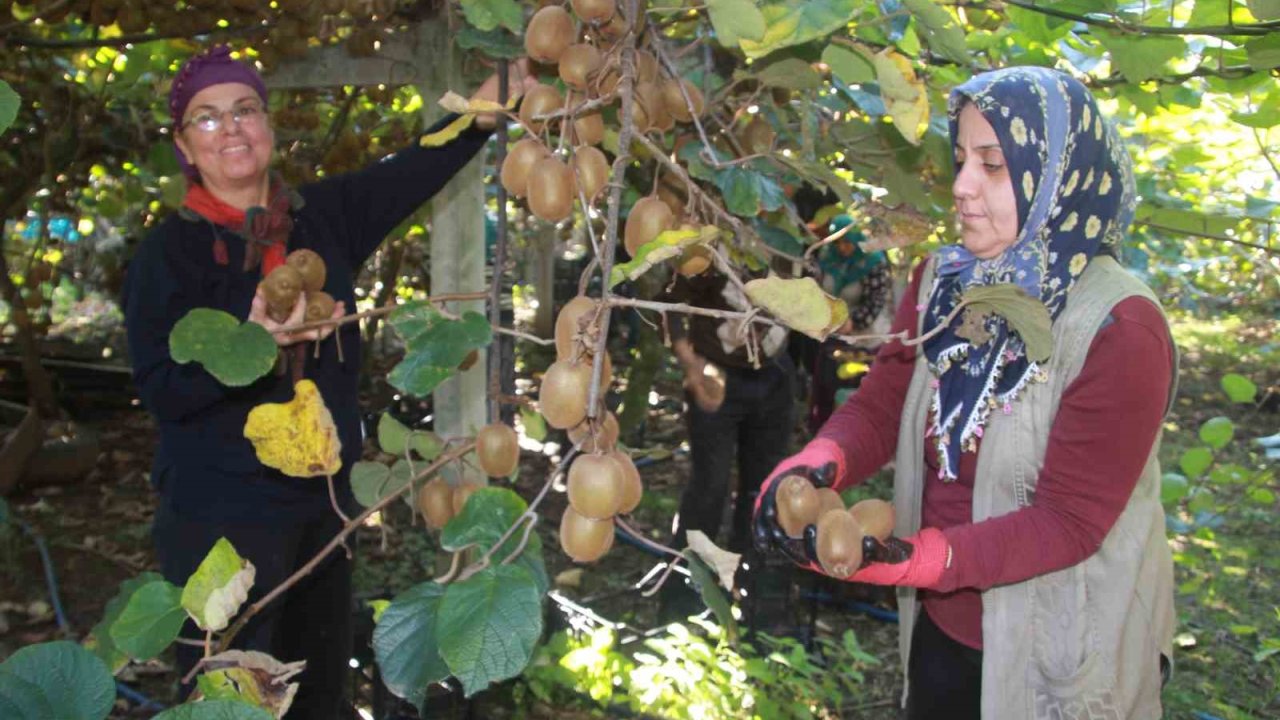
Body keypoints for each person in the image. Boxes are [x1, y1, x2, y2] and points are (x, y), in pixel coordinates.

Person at [122, 46, 537, 717]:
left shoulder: (323, 218)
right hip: (218, 518)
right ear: (183, 145)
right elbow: (162, 392)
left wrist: (491, 105)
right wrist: (253, 345)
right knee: (231, 698)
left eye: (245, 109)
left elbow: (415, 165)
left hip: (322, 505)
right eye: (207, 117)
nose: (230, 127)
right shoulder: (165, 256)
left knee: (318, 693)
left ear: (269, 126)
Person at [753, 67, 1177, 719]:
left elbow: (1069, 521)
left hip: (1063, 645)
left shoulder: (1120, 327)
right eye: (959, 161)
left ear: (1058, 174)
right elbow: (883, 402)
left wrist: (912, 559)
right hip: (944, 624)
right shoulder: (942, 281)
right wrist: (815, 465)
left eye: (994, 167)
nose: (961, 187)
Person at [656, 266, 797, 629]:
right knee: (709, 488)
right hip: (717, 373)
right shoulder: (715, 252)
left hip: (773, 376)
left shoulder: (793, 251)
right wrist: (691, 364)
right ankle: (680, 602)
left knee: (761, 492)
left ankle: (746, 596)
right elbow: (669, 300)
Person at [807, 214, 893, 433]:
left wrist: (853, 323)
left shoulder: (873, 262)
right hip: (832, 332)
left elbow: (876, 301)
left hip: (866, 336)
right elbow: (817, 291)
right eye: (839, 243)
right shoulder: (827, 258)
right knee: (827, 385)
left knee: (861, 390)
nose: (843, 248)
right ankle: (823, 432)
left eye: (847, 242)